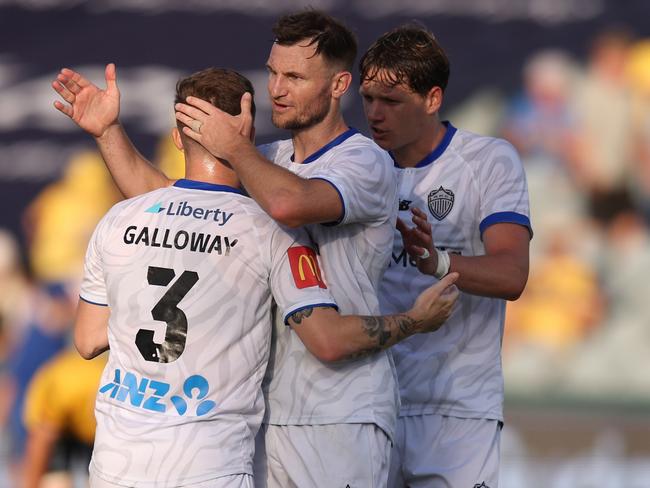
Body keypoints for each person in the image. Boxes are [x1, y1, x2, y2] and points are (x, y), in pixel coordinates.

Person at [52, 10, 409, 487]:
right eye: (273, 73)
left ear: (339, 84)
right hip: (265, 410)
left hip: (337, 409)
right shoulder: (269, 161)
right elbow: (177, 202)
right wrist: (109, 133)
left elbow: (287, 205)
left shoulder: (363, 161)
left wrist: (235, 150)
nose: (277, 88)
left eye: (295, 77)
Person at [358, 25, 532, 487]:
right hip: (368, 405)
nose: (375, 114)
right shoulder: (352, 167)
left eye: (391, 102)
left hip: (457, 411)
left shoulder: (489, 160)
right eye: (368, 99)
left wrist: (438, 263)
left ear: (432, 99)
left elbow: (513, 273)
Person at [22, 348, 107, 488]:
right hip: (58, 418)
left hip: (92, 422)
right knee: (54, 481)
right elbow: (40, 444)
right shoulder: (65, 388)